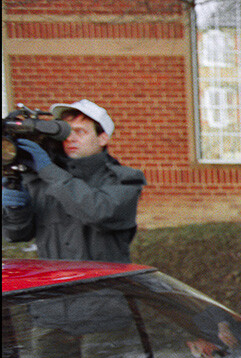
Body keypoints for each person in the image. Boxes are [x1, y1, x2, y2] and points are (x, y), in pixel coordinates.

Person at [2, 99, 145, 262]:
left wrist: (48, 171)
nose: (71, 139)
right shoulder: (44, 179)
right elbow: (16, 235)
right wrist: (16, 210)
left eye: (80, 132)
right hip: (57, 284)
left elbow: (99, 213)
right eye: (67, 133)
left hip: (104, 284)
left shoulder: (125, 178)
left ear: (103, 138)